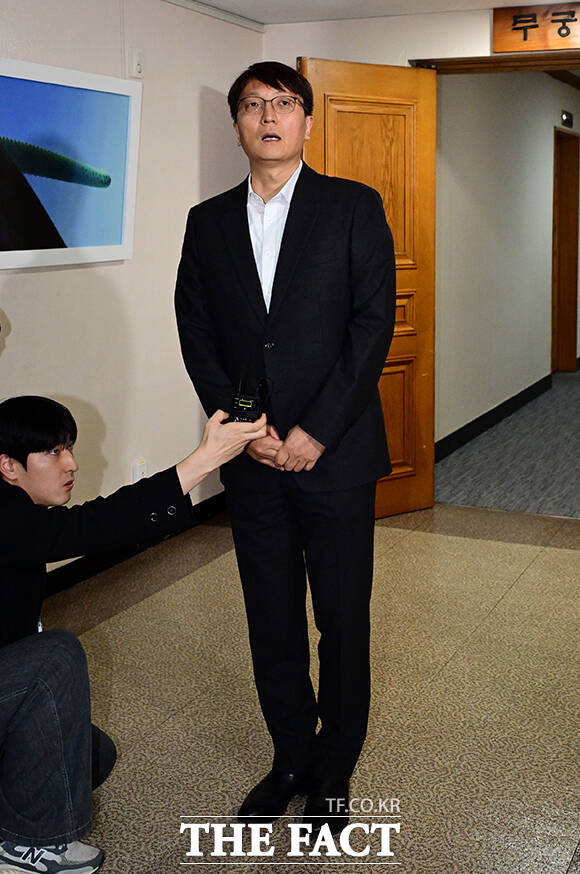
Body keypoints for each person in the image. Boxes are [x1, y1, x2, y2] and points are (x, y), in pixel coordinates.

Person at [175, 61, 396, 833]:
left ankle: (334, 771)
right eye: (252, 105)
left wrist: (315, 430)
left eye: (283, 103)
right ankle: (290, 760)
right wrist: (246, 431)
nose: (268, 116)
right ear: (237, 123)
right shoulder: (207, 221)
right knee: (270, 618)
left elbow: (372, 324)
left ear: (306, 119)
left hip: (337, 456)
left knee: (341, 618)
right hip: (253, 462)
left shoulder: (352, 206)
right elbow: (196, 330)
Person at [0, 395, 266, 874]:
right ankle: (23, 847)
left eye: (69, 448)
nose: (71, 464)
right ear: (8, 466)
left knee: (91, 756)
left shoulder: (19, 514)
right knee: (54, 656)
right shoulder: (5, 516)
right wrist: (203, 460)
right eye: (54, 452)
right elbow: (94, 525)